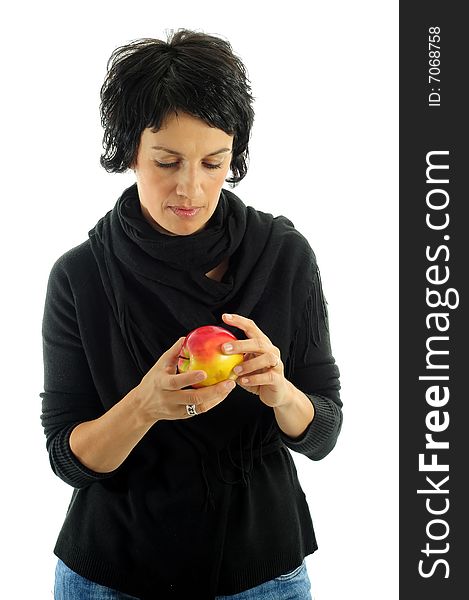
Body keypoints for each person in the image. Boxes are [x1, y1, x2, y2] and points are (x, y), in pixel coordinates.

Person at [40, 29, 343, 600]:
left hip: (263, 575)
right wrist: (145, 405)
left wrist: (281, 391)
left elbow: (323, 433)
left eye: (213, 162)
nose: (191, 187)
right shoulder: (80, 277)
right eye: (167, 161)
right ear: (130, 150)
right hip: (111, 575)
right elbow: (67, 458)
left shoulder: (284, 256)